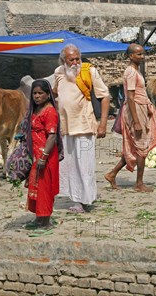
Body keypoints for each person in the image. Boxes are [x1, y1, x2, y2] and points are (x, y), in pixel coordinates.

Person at [53, 44, 111, 214]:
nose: (76, 62)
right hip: (65, 127)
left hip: (84, 125)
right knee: (69, 165)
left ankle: (86, 200)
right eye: (71, 59)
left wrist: (103, 123)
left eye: (78, 58)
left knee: (84, 165)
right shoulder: (58, 72)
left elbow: (105, 96)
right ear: (64, 60)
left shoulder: (89, 71)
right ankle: (77, 197)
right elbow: (55, 93)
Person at [105, 44, 156, 192]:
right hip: (135, 110)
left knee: (135, 147)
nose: (142, 57)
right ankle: (139, 184)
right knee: (141, 146)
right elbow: (130, 97)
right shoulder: (130, 72)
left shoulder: (136, 71)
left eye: (143, 54)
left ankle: (112, 174)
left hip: (140, 108)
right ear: (131, 56)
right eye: (139, 54)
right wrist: (136, 121)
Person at [24, 79, 63, 232]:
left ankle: (45, 221)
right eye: (34, 93)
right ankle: (39, 218)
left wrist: (43, 157)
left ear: (48, 95)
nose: (37, 96)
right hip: (36, 155)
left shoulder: (50, 112)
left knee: (45, 187)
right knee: (37, 186)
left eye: (40, 93)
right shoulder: (36, 110)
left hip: (45, 156)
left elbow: (52, 136)